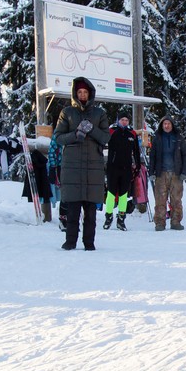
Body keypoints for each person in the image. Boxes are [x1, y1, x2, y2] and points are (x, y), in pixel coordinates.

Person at [49, 77, 111, 250]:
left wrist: (92, 129)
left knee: (90, 211)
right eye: (80, 92)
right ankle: (70, 241)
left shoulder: (99, 114)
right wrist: (75, 135)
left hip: (93, 169)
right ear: (75, 94)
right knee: (73, 210)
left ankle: (89, 243)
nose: (83, 95)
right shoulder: (67, 112)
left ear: (90, 93)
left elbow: (106, 138)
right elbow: (58, 138)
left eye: (85, 92)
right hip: (72, 168)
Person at [103, 111, 142, 231]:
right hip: (112, 168)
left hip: (126, 169)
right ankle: (108, 217)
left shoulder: (132, 134)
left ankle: (121, 218)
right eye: (122, 120)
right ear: (118, 120)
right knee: (110, 193)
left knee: (123, 195)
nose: (124, 122)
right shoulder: (112, 131)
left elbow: (136, 151)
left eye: (126, 120)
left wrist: (138, 165)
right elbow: (102, 144)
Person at [149, 116, 186, 231]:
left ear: (172, 125)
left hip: (176, 174)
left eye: (169, 124)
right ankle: (160, 223)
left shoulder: (179, 138)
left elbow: (185, 155)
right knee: (160, 200)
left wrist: (184, 172)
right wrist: (151, 171)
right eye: (164, 124)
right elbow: (152, 156)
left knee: (176, 199)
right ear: (162, 126)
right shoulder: (157, 138)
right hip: (161, 174)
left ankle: (176, 222)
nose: (166, 126)